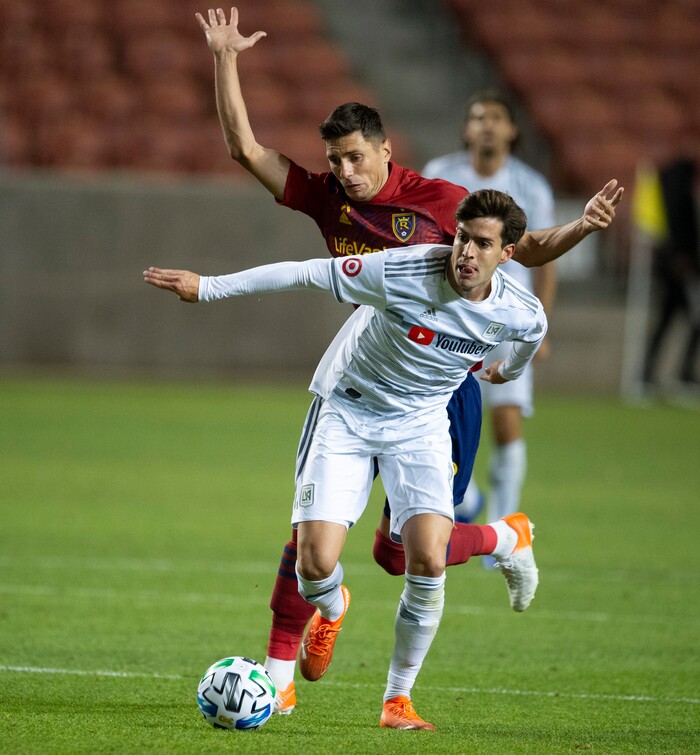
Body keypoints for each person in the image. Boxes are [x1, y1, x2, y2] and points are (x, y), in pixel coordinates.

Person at [194, 6, 624, 714]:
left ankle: (500, 535)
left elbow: (524, 244)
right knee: (312, 534)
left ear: (387, 150)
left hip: (441, 387)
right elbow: (245, 148)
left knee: (404, 554)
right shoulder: (326, 199)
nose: (344, 172)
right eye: (335, 160)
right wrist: (225, 57)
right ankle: (279, 674)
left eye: (355, 157)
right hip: (366, 367)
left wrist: (580, 228)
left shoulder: (441, 207)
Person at [145, 189, 547, 730]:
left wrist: (508, 373)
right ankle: (333, 607)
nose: (465, 252)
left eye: (482, 243)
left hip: (421, 425)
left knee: (424, 559)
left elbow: (527, 340)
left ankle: (397, 700)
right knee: (314, 564)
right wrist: (209, 287)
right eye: (461, 237)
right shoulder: (403, 271)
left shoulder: (519, 309)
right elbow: (307, 272)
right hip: (348, 411)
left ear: (508, 253)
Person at [423, 91, 556, 545]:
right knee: (434, 416)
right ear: (467, 129)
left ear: (511, 131)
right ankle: (468, 503)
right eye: (478, 117)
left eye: (496, 118)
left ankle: (500, 531)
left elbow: (546, 261)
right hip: (449, 313)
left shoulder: (532, 186)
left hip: (505, 317)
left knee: (506, 420)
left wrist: (543, 329)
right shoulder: (441, 174)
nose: (486, 125)